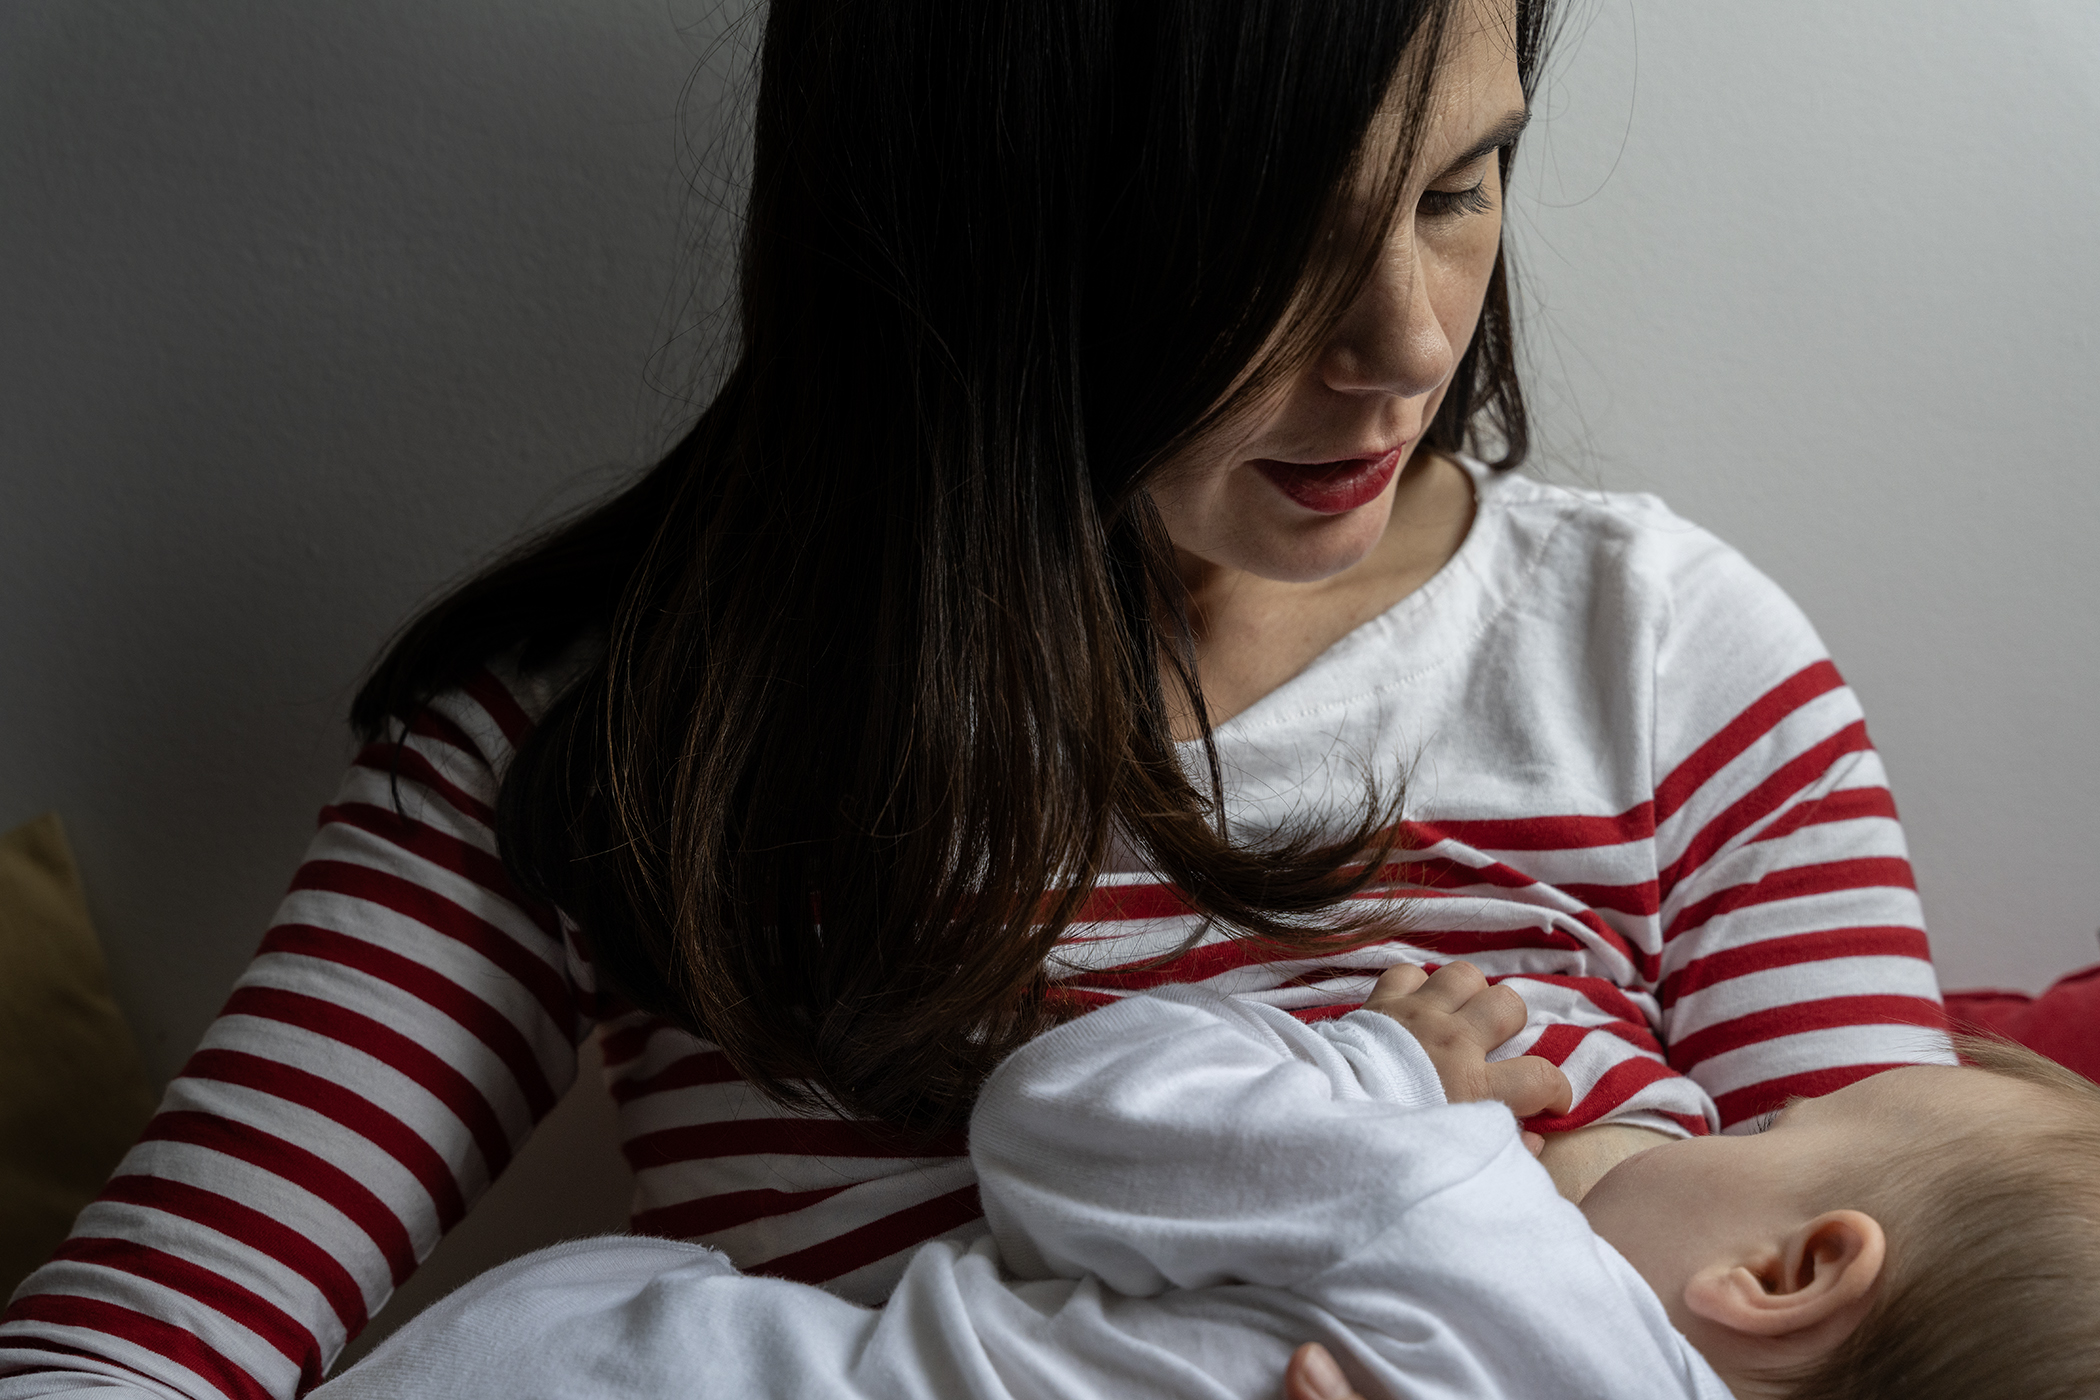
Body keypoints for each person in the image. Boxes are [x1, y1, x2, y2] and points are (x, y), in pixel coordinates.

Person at [0, 0, 1952, 1395]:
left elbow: (1945, 1330)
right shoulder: (613, 736)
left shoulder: (1667, 665)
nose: (1408, 342)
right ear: (986, 229)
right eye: (1271, 239)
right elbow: (124, 1354)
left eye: (1464, 183)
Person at [307, 965, 2100, 1400]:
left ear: (1785, 1276)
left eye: (1752, 1139)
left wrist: (1387, 1077)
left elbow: (1061, 1121)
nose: (1683, 1119)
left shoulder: (1454, 1218)